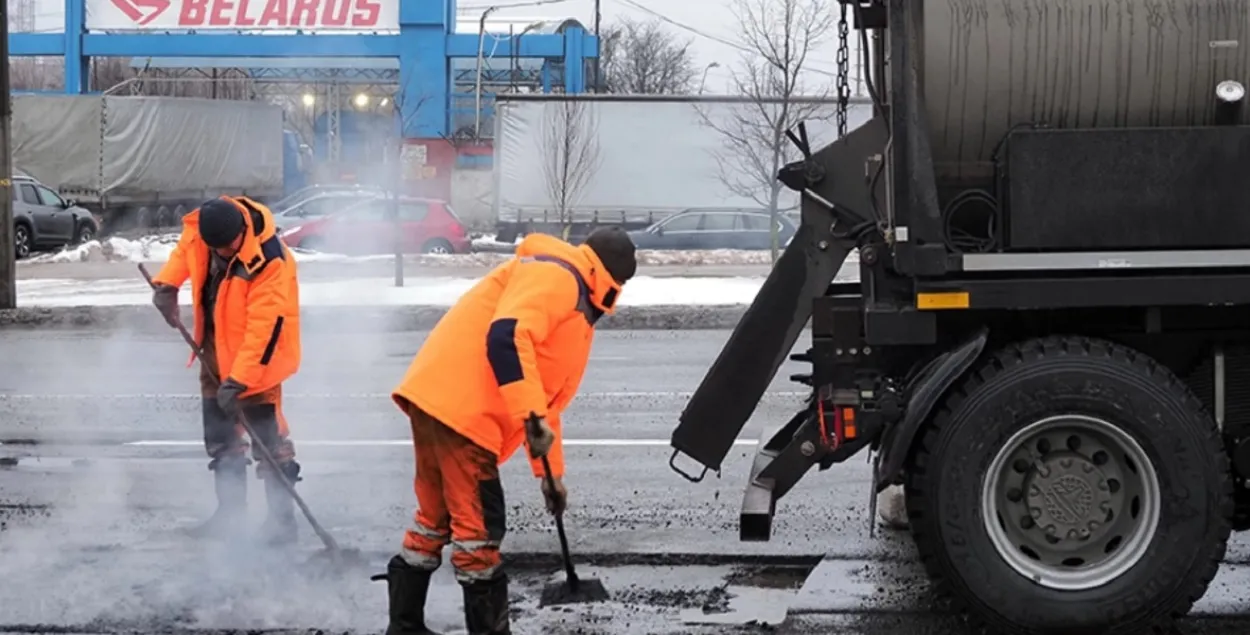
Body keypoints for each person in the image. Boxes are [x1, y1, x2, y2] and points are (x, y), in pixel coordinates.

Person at [376, 227, 637, 635]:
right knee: (479, 528)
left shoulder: (564, 286)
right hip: (463, 410)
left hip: (439, 400)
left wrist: (550, 476)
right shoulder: (560, 278)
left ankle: (404, 626)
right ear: (612, 279)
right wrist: (530, 418)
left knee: (435, 517)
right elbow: (506, 339)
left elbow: (544, 400)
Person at [149, 195, 303, 546]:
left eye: (228, 247)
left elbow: (265, 330)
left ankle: (282, 524)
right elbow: (185, 249)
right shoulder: (207, 232)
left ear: (242, 233)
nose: (221, 253)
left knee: (269, 441)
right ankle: (230, 516)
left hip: (260, 362)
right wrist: (167, 285)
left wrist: (241, 380)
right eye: (215, 248)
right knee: (221, 435)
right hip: (216, 347)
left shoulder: (270, 260)